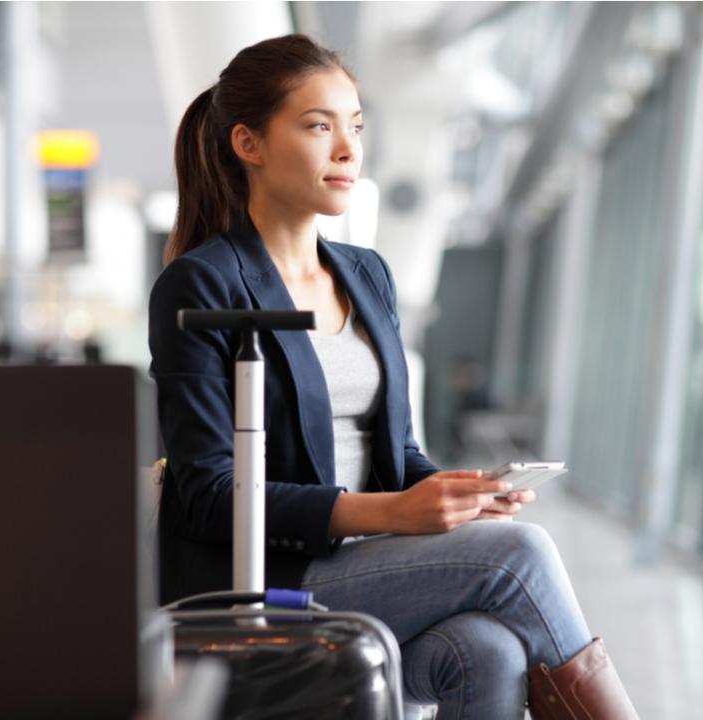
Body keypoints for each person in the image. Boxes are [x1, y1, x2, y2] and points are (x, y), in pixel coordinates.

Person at [148, 33, 638, 719]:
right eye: (319, 126)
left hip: (367, 561)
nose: (348, 149)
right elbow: (207, 495)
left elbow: (397, 454)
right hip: (267, 578)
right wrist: (391, 513)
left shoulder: (366, 274)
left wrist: (452, 492)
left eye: (355, 126)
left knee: (487, 648)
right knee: (517, 555)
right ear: (248, 144)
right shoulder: (202, 284)